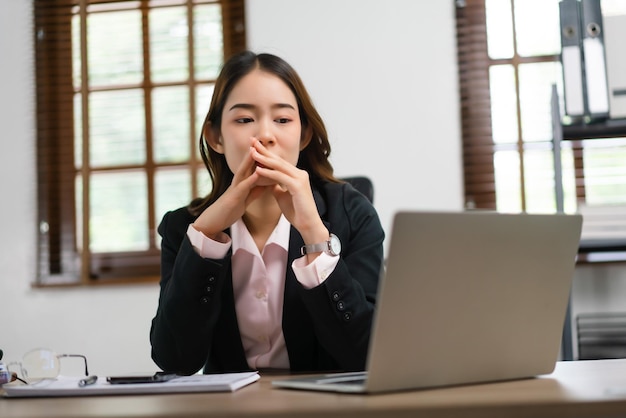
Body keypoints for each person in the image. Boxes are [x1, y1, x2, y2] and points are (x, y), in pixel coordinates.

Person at [150, 51, 384, 375]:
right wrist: (205, 238)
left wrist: (315, 235)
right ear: (215, 137)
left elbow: (367, 357)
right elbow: (175, 360)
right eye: (244, 120)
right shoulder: (185, 229)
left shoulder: (353, 214)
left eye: (283, 119)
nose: (264, 135)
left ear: (303, 135)